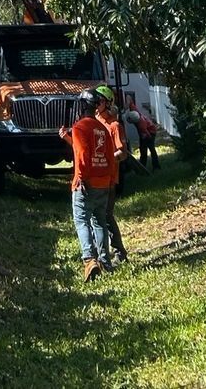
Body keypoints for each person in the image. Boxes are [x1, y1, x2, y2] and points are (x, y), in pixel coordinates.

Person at [59, 88, 119, 282]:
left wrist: (81, 178)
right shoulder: (102, 128)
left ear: (82, 105)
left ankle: (89, 260)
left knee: (82, 220)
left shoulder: (79, 127)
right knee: (100, 221)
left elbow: (83, 154)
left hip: (85, 183)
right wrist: (110, 181)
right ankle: (105, 262)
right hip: (104, 183)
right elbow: (110, 157)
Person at [103, 96, 130, 264]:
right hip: (95, 179)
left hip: (109, 179)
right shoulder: (95, 124)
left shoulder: (114, 126)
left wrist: (105, 160)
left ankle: (119, 251)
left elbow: (123, 153)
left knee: (106, 215)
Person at [137, 103, 161, 170]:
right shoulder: (139, 115)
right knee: (144, 148)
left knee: (151, 148)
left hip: (151, 132)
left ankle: (156, 166)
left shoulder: (140, 122)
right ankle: (143, 165)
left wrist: (148, 137)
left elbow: (146, 132)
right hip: (149, 131)